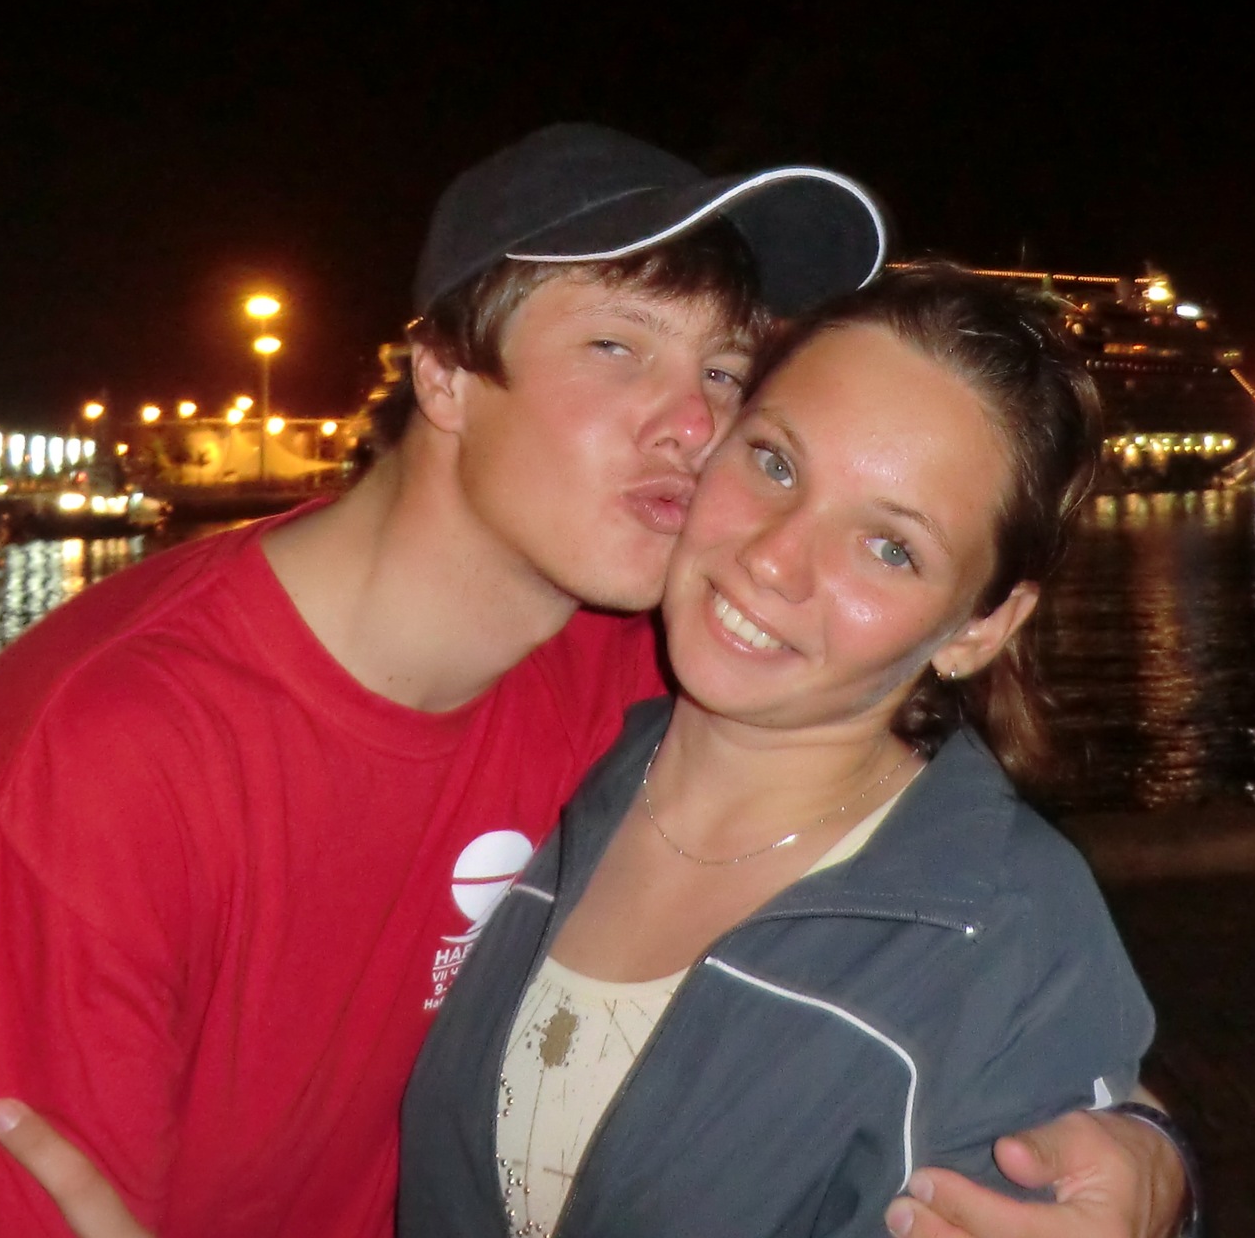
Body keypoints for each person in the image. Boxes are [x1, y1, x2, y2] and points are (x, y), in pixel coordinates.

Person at [0, 123, 1190, 1238]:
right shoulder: (88, 777)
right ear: (444, 373)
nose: (693, 424)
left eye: (727, 371)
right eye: (616, 347)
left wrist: (1140, 1150)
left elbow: (949, 926)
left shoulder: (636, 671)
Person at [399, 262, 1170, 1235]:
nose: (773, 558)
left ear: (983, 625)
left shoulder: (999, 935)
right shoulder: (558, 748)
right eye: (774, 463)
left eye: (889, 547)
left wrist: (1154, 1168)